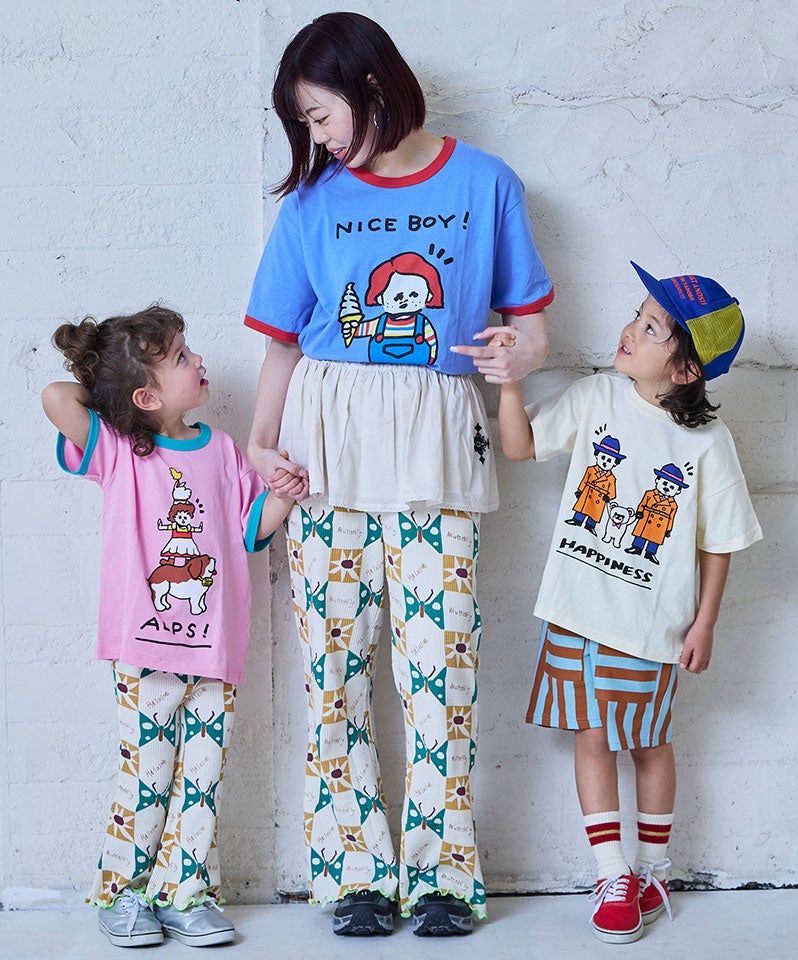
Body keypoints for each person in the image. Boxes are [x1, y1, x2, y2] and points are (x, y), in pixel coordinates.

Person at [245, 11, 553, 937]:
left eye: (319, 114)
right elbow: (282, 341)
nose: (316, 136)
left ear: (371, 85)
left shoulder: (486, 182)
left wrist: (520, 354)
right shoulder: (310, 205)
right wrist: (260, 443)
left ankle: (444, 876)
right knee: (334, 670)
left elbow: (531, 326)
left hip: (435, 442)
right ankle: (355, 873)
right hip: (326, 448)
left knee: (441, 667)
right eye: (303, 123)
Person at [497, 262, 762, 943]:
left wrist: (705, 623)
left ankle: (652, 870)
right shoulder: (596, 397)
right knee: (591, 737)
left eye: (651, 328)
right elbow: (520, 446)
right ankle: (611, 872)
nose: (629, 330)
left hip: (650, 625)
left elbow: (720, 542)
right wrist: (510, 381)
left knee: (648, 742)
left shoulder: (707, 443)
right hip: (577, 611)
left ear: (686, 370)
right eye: (636, 315)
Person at [41, 306, 298, 948]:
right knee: (148, 777)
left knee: (201, 783)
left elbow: (251, 531)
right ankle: (122, 893)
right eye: (181, 356)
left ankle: (186, 895)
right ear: (147, 395)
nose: (199, 360)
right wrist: (115, 395)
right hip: (145, 650)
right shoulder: (119, 450)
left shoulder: (222, 450)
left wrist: (283, 494)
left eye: (189, 349)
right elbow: (56, 396)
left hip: (214, 649)